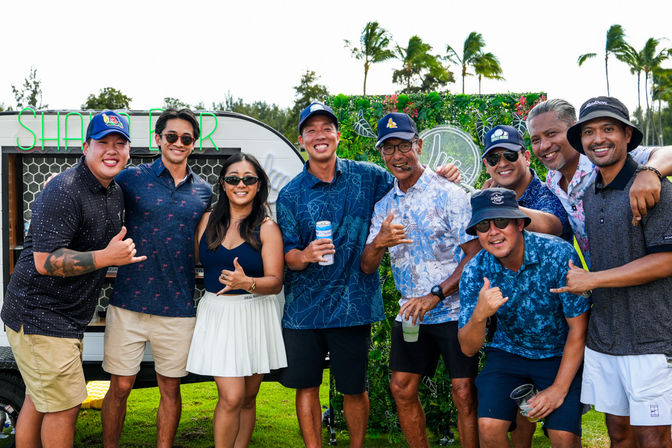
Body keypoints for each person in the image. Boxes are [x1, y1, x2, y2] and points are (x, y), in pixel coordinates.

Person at [1, 111, 145, 448]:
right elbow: (44, 261)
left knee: (40, 400)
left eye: (119, 143)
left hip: (59, 318)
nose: (112, 150)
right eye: (103, 142)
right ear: (85, 147)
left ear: (128, 151)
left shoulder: (112, 189)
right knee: (65, 407)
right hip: (40, 317)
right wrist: (106, 258)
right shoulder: (65, 190)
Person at [553, 96, 672, 448]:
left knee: (654, 439)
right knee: (618, 435)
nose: (598, 139)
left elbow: (667, 261)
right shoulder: (591, 192)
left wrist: (592, 280)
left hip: (651, 338)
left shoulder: (655, 188)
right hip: (606, 338)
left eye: (608, 129)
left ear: (626, 136)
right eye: (588, 132)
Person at [360, 113, 481, 448]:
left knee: (464, 391)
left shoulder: (451, 194)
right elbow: (368, 266)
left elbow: (474, 255)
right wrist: (378, 242)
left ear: (419, 145)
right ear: (382, 154)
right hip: (411, 312)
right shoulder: (384, 205)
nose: (398, 156)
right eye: (389, 149)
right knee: (402, 387)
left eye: (404, 146)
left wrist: (436, 295)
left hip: (454, 310)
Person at [101, 108, 213, 448]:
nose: (178, 143)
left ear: (194, 143)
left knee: (170, 388)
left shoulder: (204, 191)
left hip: (178, 306)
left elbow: (208, 242)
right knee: (120, 387)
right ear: (158, 139)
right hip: (128, 302)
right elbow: (94, 185)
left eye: (186, 138)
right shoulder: (131, 177)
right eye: (171, 136)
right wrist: (54, 183)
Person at [458, 188, 590, 448]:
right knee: (488, 427)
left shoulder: (558, 254)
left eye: (502, 221)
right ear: (477, 233)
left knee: (563, 438)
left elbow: (579, 329)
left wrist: (558, 389)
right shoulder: (476, 269)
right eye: (484, 225)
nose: (493, 231)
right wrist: (479, 315)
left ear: (519, 223)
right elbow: (468, 348)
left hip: (558, 353)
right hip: (509, 353)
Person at [186, 153, 286, 448]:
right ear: (223, 183)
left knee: (248, 397)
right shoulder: (206, 221)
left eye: (248, 179)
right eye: (233, 179)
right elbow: (194, 260)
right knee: (231, 396)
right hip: (218, 314)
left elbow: (276, 282)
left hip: (256, 313)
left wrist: (248, 283)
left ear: (258, 185)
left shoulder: (267, 228)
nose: (240, 184)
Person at [527, 98, 672, 266]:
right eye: (535, 140)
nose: (544, 145)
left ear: (574, 131)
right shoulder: (553, 180)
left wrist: (649, 172)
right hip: (602, 283)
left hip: (645, 280)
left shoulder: (604, 157)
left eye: (551, 133)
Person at [481, 125, 572, 242]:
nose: (503, 164)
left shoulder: (551, 192)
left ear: (527, 157)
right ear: (486, 165)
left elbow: (551, 226)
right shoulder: (486, 199)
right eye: (493, 159)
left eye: (510, 155)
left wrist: (496, 203)